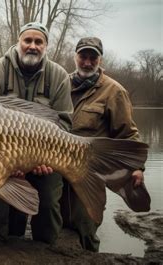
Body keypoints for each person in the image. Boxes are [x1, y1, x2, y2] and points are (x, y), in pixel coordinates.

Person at [0, 22, 73, 244]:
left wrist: (42, 158)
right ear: (18, 42)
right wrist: (11, 160)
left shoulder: (58, 75)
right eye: (27, 40)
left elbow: (65, 123)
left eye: (39, 42)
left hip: (46, 154)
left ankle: (44, 246)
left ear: (46, 46)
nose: (32, 46)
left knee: (48, 202)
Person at [61, 37, 145, 252]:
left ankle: (91, 253)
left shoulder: (114, 91)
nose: (87, 62)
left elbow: (127, 133)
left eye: (93, 57)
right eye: (83, 56)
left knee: (85, 222)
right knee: (55, 223)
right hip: (57, 164)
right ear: (75, 57)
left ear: (100, 59)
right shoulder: (62, 84)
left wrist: (137, 167)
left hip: (90, 169)